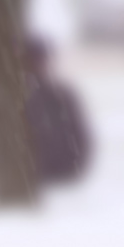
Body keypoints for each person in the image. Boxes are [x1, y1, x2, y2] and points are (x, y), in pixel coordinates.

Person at [22, 36, 92, 185]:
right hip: (49, 174)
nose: (38, 65)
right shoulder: (22, 96)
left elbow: (80, 138)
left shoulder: (60, 96)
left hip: (60, 175)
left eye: (40, 60)